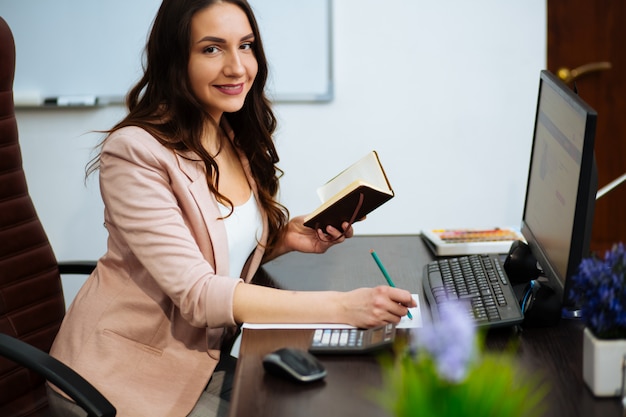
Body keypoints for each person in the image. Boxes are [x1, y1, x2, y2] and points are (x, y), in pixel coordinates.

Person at [47, 1, 416, 416]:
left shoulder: (229, 133)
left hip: (206, 358)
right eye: (211, 49)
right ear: (175, 58)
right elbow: (199, 294)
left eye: (246, 45)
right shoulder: (134, 152)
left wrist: (285, 238)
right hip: (120, 380)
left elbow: (216, 249)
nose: (238, 67)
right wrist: (343, 308)